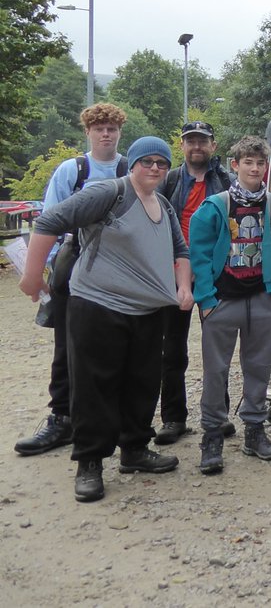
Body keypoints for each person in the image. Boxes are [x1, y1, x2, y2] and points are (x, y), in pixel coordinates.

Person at [17, 136, 192, 502]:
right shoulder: (109, 193)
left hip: (146, 310)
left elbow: (179, 249)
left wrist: (184, 288)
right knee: (94, 385)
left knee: (142, 383)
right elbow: (50, 219)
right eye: (148, 162)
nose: (155, 168)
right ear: (134, 164)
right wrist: (33, 276)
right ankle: (90, 462)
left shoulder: (162, 204)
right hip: (98, 304)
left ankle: (134, 450)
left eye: (162, 162)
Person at [15, 102, 128, 458]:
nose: (106, 133)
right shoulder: (72, 170)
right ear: (88, 132)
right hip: (75, 257)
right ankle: (62, 417)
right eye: (99, 128)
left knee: (122, 342)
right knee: (67, 344)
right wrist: (45, 269)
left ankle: (122, 420)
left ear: (119, 131)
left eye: (111, 127)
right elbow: (49, 219)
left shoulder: (132, 168)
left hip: (123, 264)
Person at [188, 135, 271, 474]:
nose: (255, 168)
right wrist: (206, 300)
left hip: (262, 298)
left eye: (260, 163)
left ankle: (254, 431)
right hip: (222, 301)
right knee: (216, 372)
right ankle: (213, 436)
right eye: (248, 162)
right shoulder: (215, 206)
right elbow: (199, 255)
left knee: (259, 367)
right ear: (235, 165)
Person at [154, 120, 233, 446]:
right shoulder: (170, 180)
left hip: (215, 275)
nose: (196, 147)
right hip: (174, 275)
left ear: (213, 146)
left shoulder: (226, 181)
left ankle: (220, 415)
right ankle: (174, 418)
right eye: (190, 141)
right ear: (182, 146)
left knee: (218, 350)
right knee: (172, 350)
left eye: (202, 141)